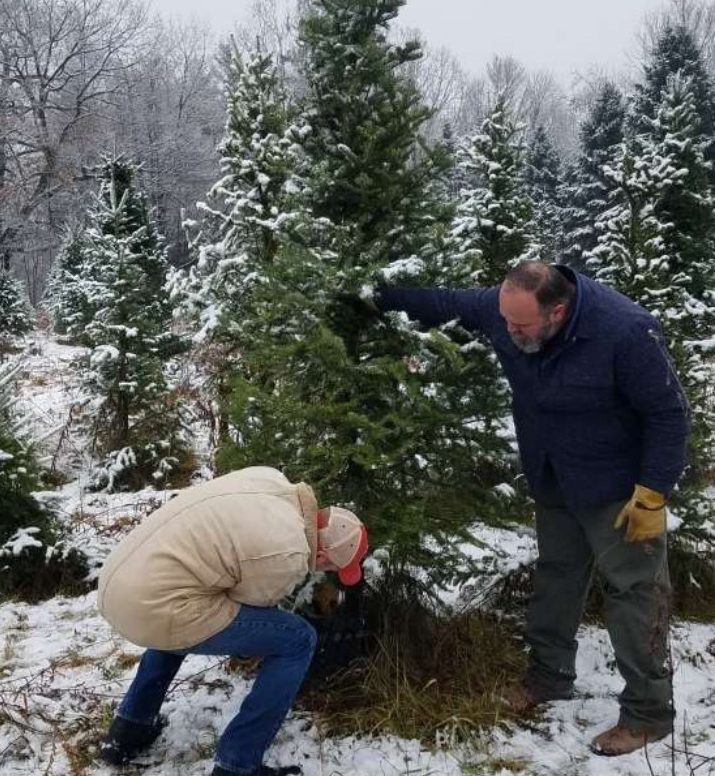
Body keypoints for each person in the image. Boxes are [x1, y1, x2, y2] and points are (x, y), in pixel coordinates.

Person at [369, 260, 689, 756]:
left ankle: (648, 713)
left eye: (520, 326)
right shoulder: (506, 310)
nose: (508, 331)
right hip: (555, 476)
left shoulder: (625, 331)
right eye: (505, 321)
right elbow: (447, 301)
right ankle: (548, 677)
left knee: (636, 592)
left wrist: (653, 492)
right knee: (557, 575)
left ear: (557, 311)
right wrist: (375, 296)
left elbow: (669, 414)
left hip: (620, 491)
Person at [96, 466, 369, 776]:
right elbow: (251, 610)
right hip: (153, 604)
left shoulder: (270, 480)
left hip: (119, 582)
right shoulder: (290, 549)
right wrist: (245, 650)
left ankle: (129, 729)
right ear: (322, 552)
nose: (322, 568)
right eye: (329, 565)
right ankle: (238, 764)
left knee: (184, 604)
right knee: (297, 639)